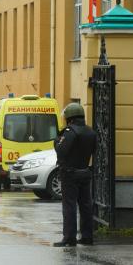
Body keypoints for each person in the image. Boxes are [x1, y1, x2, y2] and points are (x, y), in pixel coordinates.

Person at [53, 103, 97, 247]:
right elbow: (95, 151)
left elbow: (61, 151)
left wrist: (56, 141)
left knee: (69, 206)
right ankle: (87, 237)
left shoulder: (70, 132)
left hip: (70, 175)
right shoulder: (91, 132)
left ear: (69, 118)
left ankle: (69, 238)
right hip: (85, 172)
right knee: (86, 206)